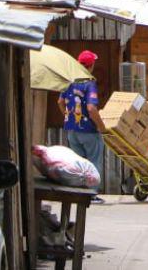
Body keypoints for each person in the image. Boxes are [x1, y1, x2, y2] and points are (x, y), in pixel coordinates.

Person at [58, 50, 106, 200]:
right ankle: (91, 194)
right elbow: (91, 109)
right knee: (93, 162)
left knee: (79, 164)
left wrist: (68, 116)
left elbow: (59, 102)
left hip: (72, 129)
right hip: (89, 130)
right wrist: (101, 127)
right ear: (91, 65)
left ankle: (79, 193)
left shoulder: (69, 81)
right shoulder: (89, 83)